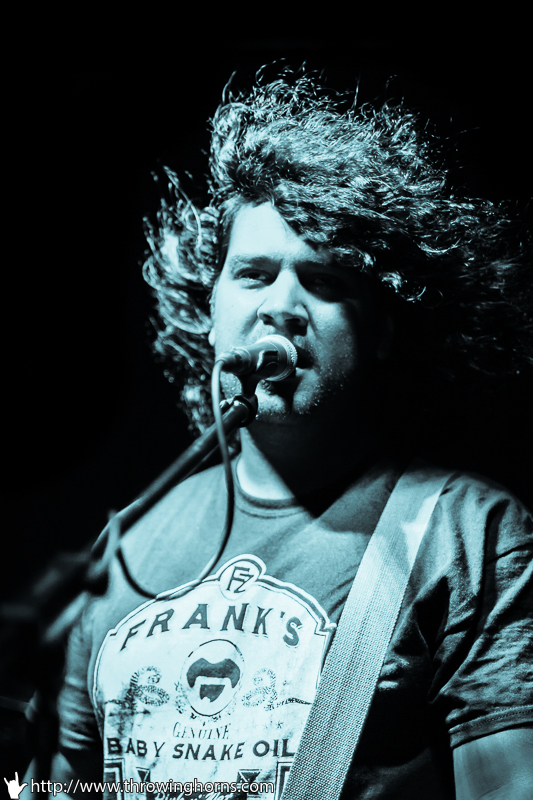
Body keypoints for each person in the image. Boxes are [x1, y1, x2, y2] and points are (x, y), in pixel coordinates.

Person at [45, 67, 532, 799]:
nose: (282, 305)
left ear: (384, 327)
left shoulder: (469, 534)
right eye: (253, 274)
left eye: (325, 281)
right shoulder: (126, 546)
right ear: (209, 311)